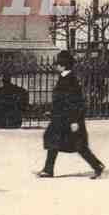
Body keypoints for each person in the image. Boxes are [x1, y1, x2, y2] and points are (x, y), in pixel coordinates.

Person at [37, 51, 105, 179]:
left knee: (78, 145)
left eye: (58, 64)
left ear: (63, 65)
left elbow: (75, 101)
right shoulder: (65, 77)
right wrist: (52, 112)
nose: (56, 66)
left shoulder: (70, 80)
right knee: (54, 141)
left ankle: (97, 166)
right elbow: (61, 100)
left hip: (68, 119)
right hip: (61, 118)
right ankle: (48, 169)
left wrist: (74, 121)